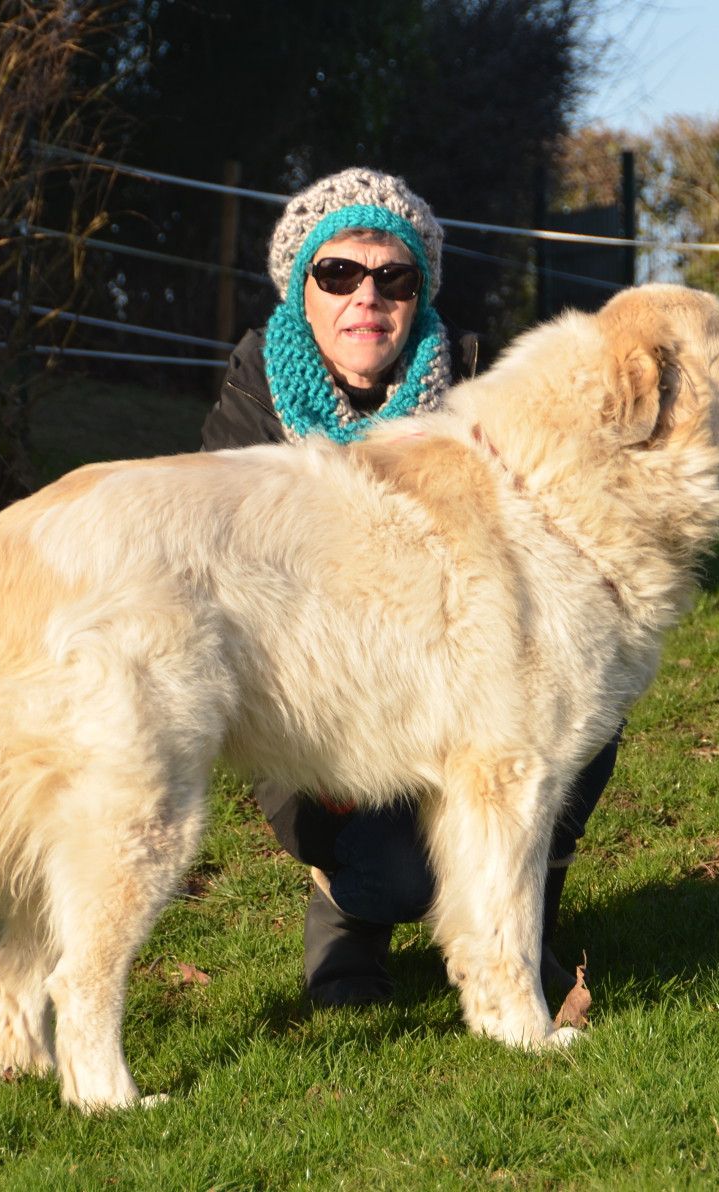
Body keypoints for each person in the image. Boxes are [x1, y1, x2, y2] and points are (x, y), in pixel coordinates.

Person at [201, 167, 618, 1007]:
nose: (367, 298)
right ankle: (349, 918)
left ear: (417, 292)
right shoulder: (247, 409)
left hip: (460, 682)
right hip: (322, 703)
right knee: (397, 877)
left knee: (579, 708)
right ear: (302, 290)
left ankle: (524, 933)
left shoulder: (477, 401)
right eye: (338, 273)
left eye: (392, 277)